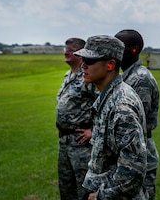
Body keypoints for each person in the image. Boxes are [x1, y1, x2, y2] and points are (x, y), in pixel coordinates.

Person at [74, 35, 148, 200]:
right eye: (83, 59)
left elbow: (133, 169)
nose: (83, 65)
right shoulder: (110, 97)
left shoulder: (121, 106)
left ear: (110, 64)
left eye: (89, 60)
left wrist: (101, 196)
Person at [115, 29, 160, 200]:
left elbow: (136, 122)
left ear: (134, 49)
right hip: (128, 153)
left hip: (139, 156)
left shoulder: (140, 79)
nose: (114, 51)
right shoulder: (126, 77)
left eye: (119, 47)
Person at [56, 37, 99, 200]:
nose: (66, 52)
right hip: (65, 141)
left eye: (71, 50)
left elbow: (104, 104)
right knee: (66, 188)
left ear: (81, 54)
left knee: (84, 189)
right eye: (65, 48)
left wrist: (93, 131)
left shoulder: (88, 76)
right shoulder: (68, 75)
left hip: (81, 144)